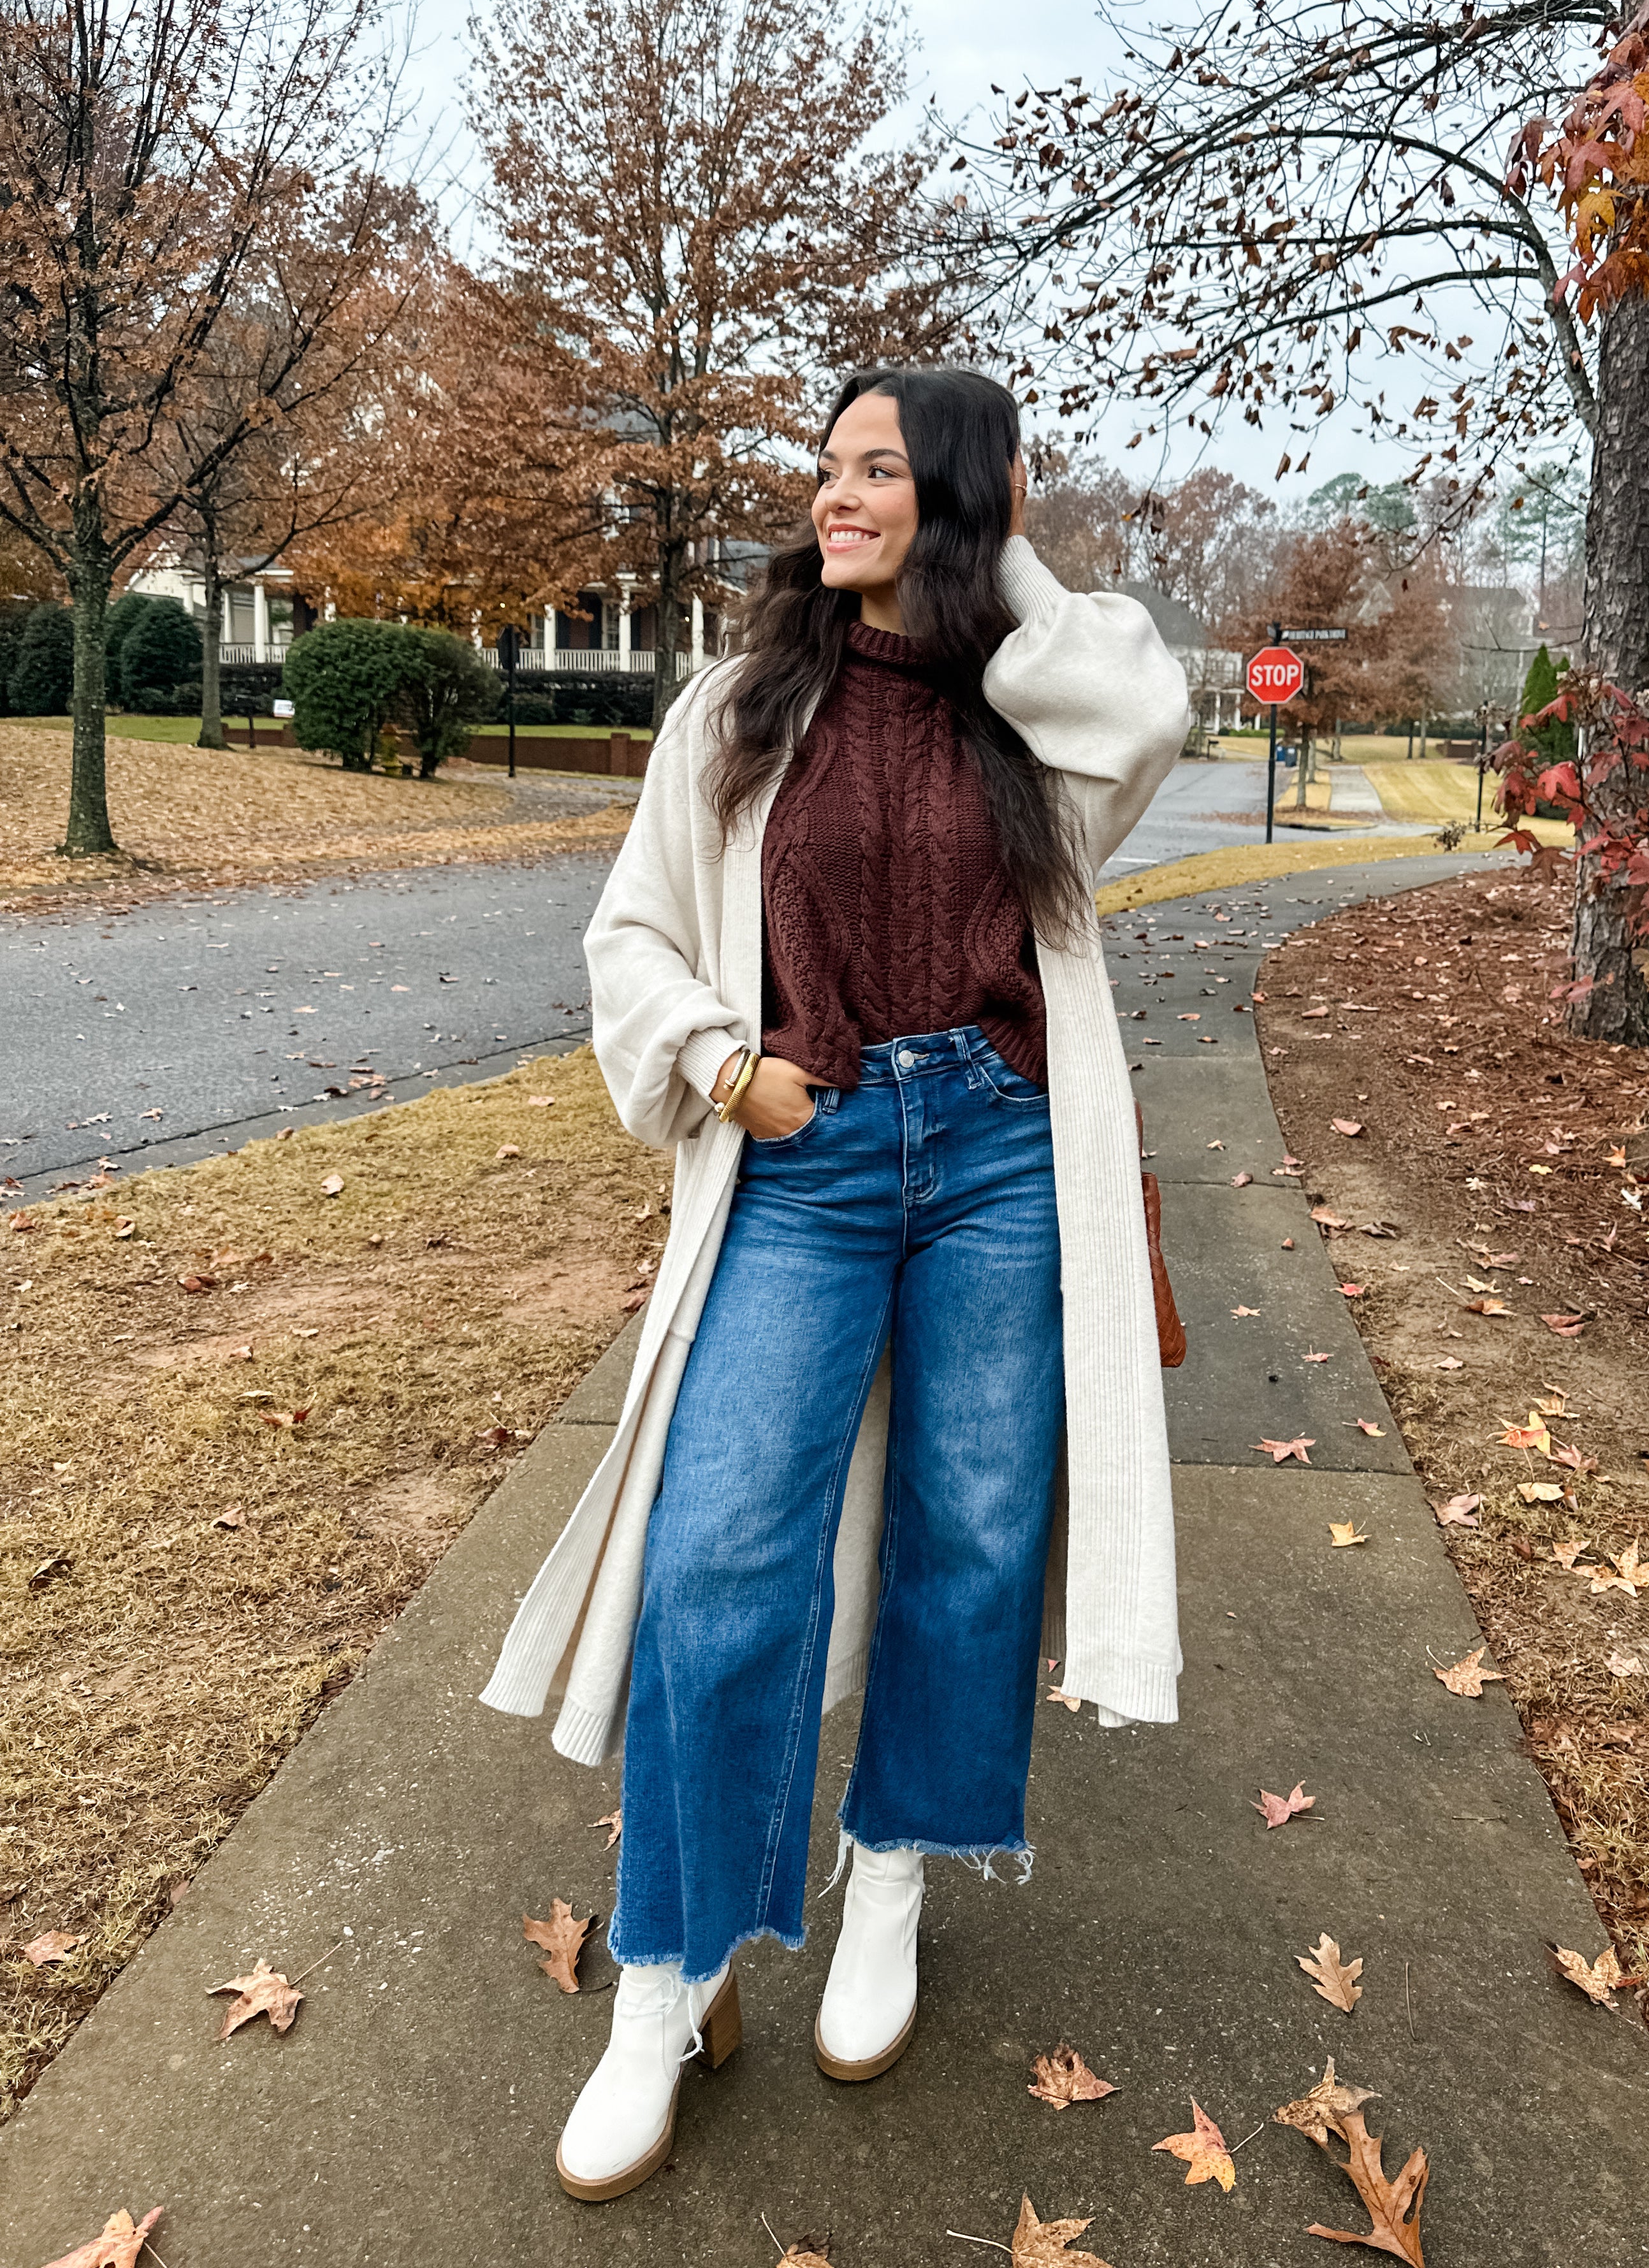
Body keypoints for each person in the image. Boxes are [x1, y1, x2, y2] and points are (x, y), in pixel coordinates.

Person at [478, 363, 1192, 2202]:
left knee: (973, 1532)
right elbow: (631, 931)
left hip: (999, 1151)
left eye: (884, 470)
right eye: (831, 465)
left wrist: (1003, 552)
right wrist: (720, 1061)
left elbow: (1148, 700)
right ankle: (672, 1972)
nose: (837, 496)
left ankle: (891, 1874)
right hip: (802, 1154)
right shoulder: (739, 703)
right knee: (718, 1550)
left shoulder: (1030, 711)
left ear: (967, 498)